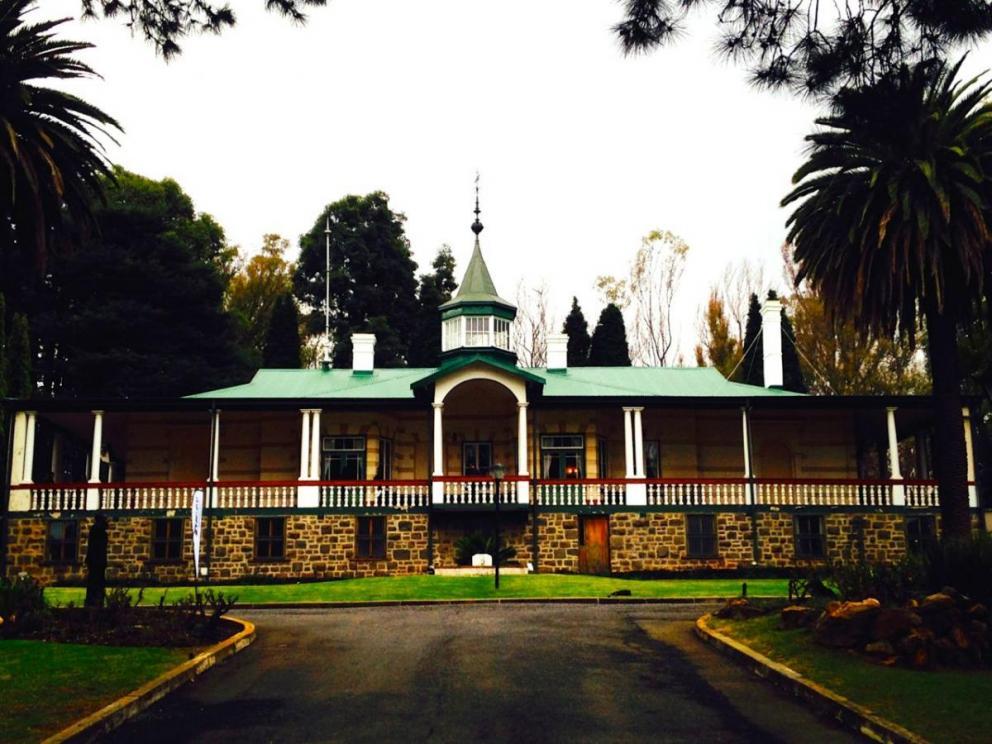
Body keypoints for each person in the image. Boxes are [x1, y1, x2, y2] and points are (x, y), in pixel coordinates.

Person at [84, 514, 109, 608]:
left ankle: (93, 600)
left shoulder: (94, 530)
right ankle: (96, 600)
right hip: (97, 561)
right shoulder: (99, 531)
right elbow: (99, 548)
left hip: (94, 561)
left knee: (93, 582)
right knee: (97, 582)